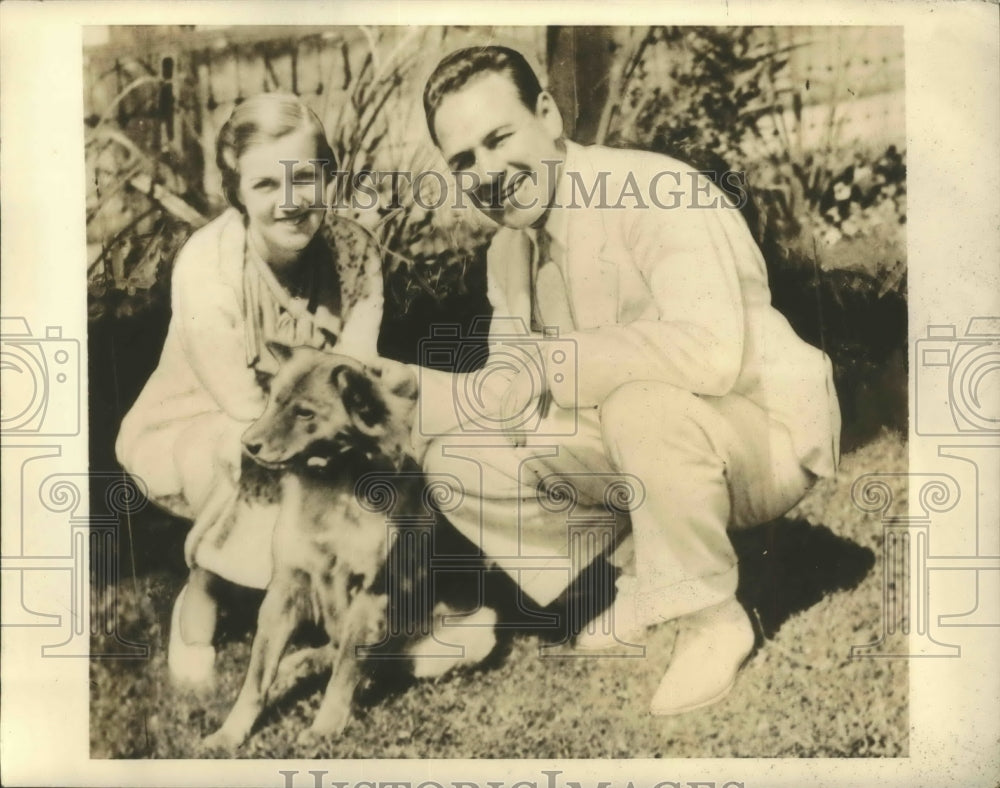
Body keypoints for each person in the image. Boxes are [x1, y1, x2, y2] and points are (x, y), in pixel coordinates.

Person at [416, 46, 841, 715]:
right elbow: (510, 384)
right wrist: (405, 393)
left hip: (760, 430)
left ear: (548, 114)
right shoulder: (509, 248)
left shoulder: (651, 191)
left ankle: (712, 619)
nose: (488, 173)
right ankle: (638, 572)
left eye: (499, 139)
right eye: (464, 161)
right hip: (650, 436)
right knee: (457, 459)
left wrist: (555, 365)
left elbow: (711, 353)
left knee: (639, 405)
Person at [116, 92, 383, 687]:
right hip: (197, 421)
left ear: (328, 176)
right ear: (236, 193)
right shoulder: (208, 267)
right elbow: (245, 409)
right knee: (245, 451)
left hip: (306, 416)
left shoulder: (354, 253)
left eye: (305, 178)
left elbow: (354, 378)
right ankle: (202, 597)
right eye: (265, 185)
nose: (290, 202)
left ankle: (332, 595)